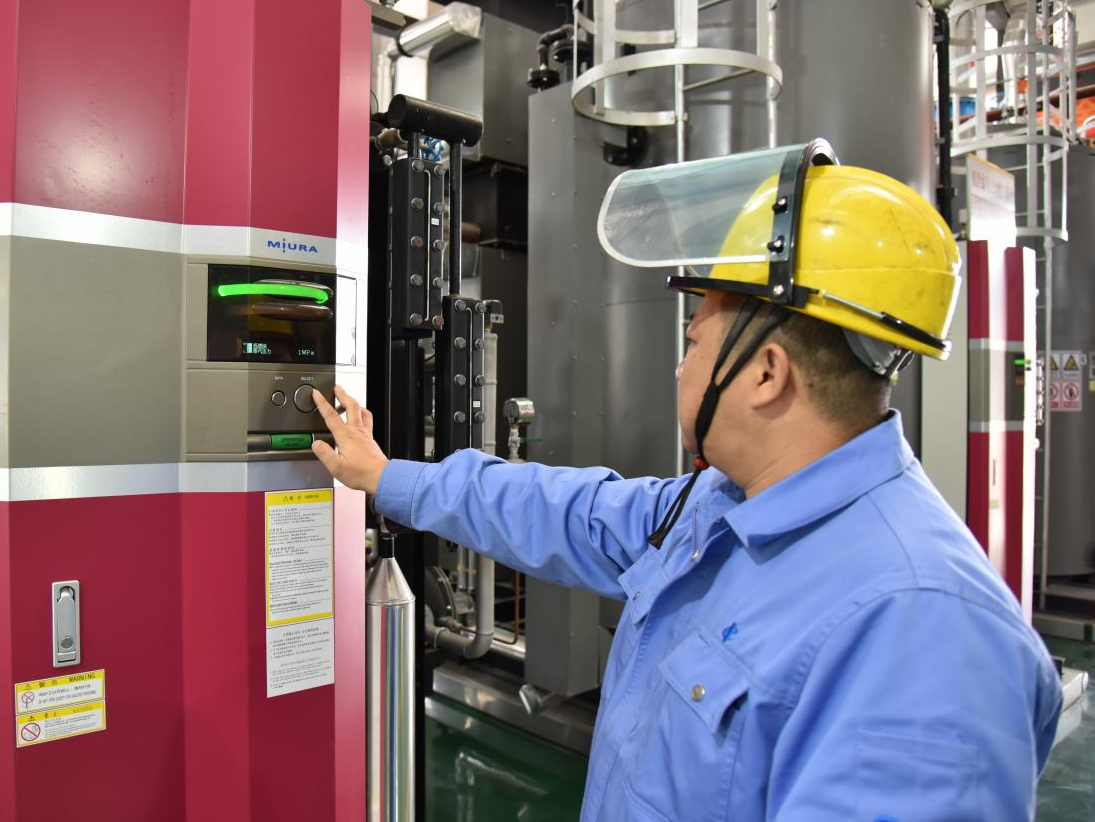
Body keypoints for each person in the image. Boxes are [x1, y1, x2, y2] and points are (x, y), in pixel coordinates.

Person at [311, 142, 1064, 821]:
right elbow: (569, 511)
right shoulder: (724, 504)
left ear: (766, 373)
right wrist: (388, 476)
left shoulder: (925, 637)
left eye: (694, 339)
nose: (679, 366)